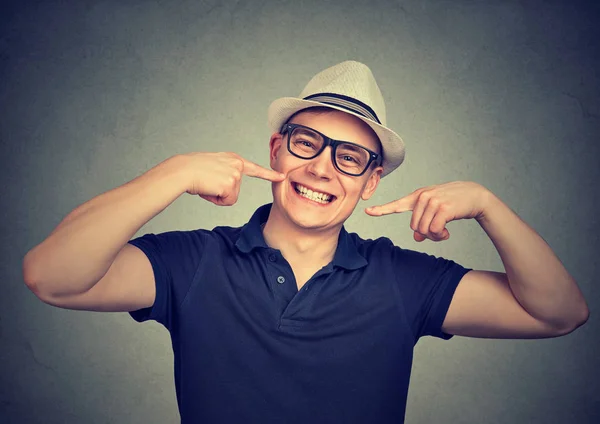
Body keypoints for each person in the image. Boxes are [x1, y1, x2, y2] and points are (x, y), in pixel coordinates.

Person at [23, 61, 589, 423]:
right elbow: (51, 275)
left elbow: (560, 314)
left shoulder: (403, 279)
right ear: (275, 151)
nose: (322, 169)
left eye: (348, 157)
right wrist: (170, 174)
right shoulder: (193, 262)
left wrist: (491, 207)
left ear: (370, 182)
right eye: (306, 144)